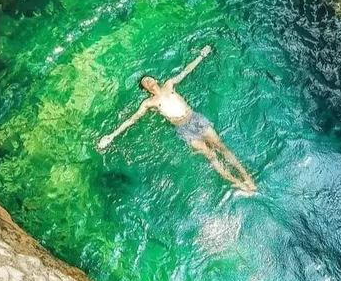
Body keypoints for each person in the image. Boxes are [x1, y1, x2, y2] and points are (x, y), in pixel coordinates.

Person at [97, 45, 257, 193]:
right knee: (211, 156)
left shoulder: (169, 84)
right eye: (145, 82)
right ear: (145, 89)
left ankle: (248, 178)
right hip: (183, 129)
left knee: (221, 147)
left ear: (155, 80)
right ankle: (237, 183)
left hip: (195, 119)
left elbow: (186, 71)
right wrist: (111, 136)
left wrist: (202, 55)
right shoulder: (149, 103)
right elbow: (132, 119)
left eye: (149, 78)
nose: (148, 81)